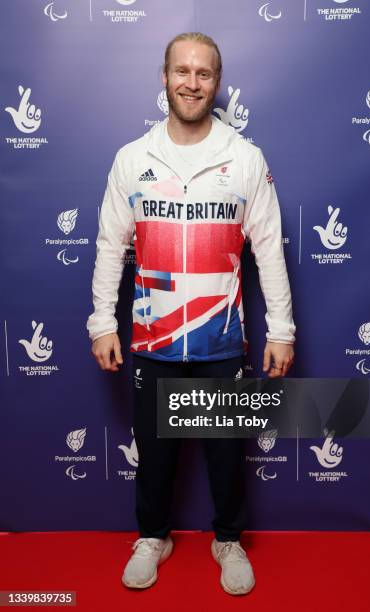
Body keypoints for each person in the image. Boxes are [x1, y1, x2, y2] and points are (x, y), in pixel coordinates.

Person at [86, 32, 295, 595]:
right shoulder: (133, 159)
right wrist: (102, 321)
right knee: (154, 455)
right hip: (152, 341)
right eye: (182, 71)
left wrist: (283, 329)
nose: (192, 83)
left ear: (217, 83)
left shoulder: (244, 158)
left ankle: (228, 540)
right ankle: (153, 535)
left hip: (220, 341)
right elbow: (111, 245)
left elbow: (269, 249)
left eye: (203, 74)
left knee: (227, 457)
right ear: (164, 78)